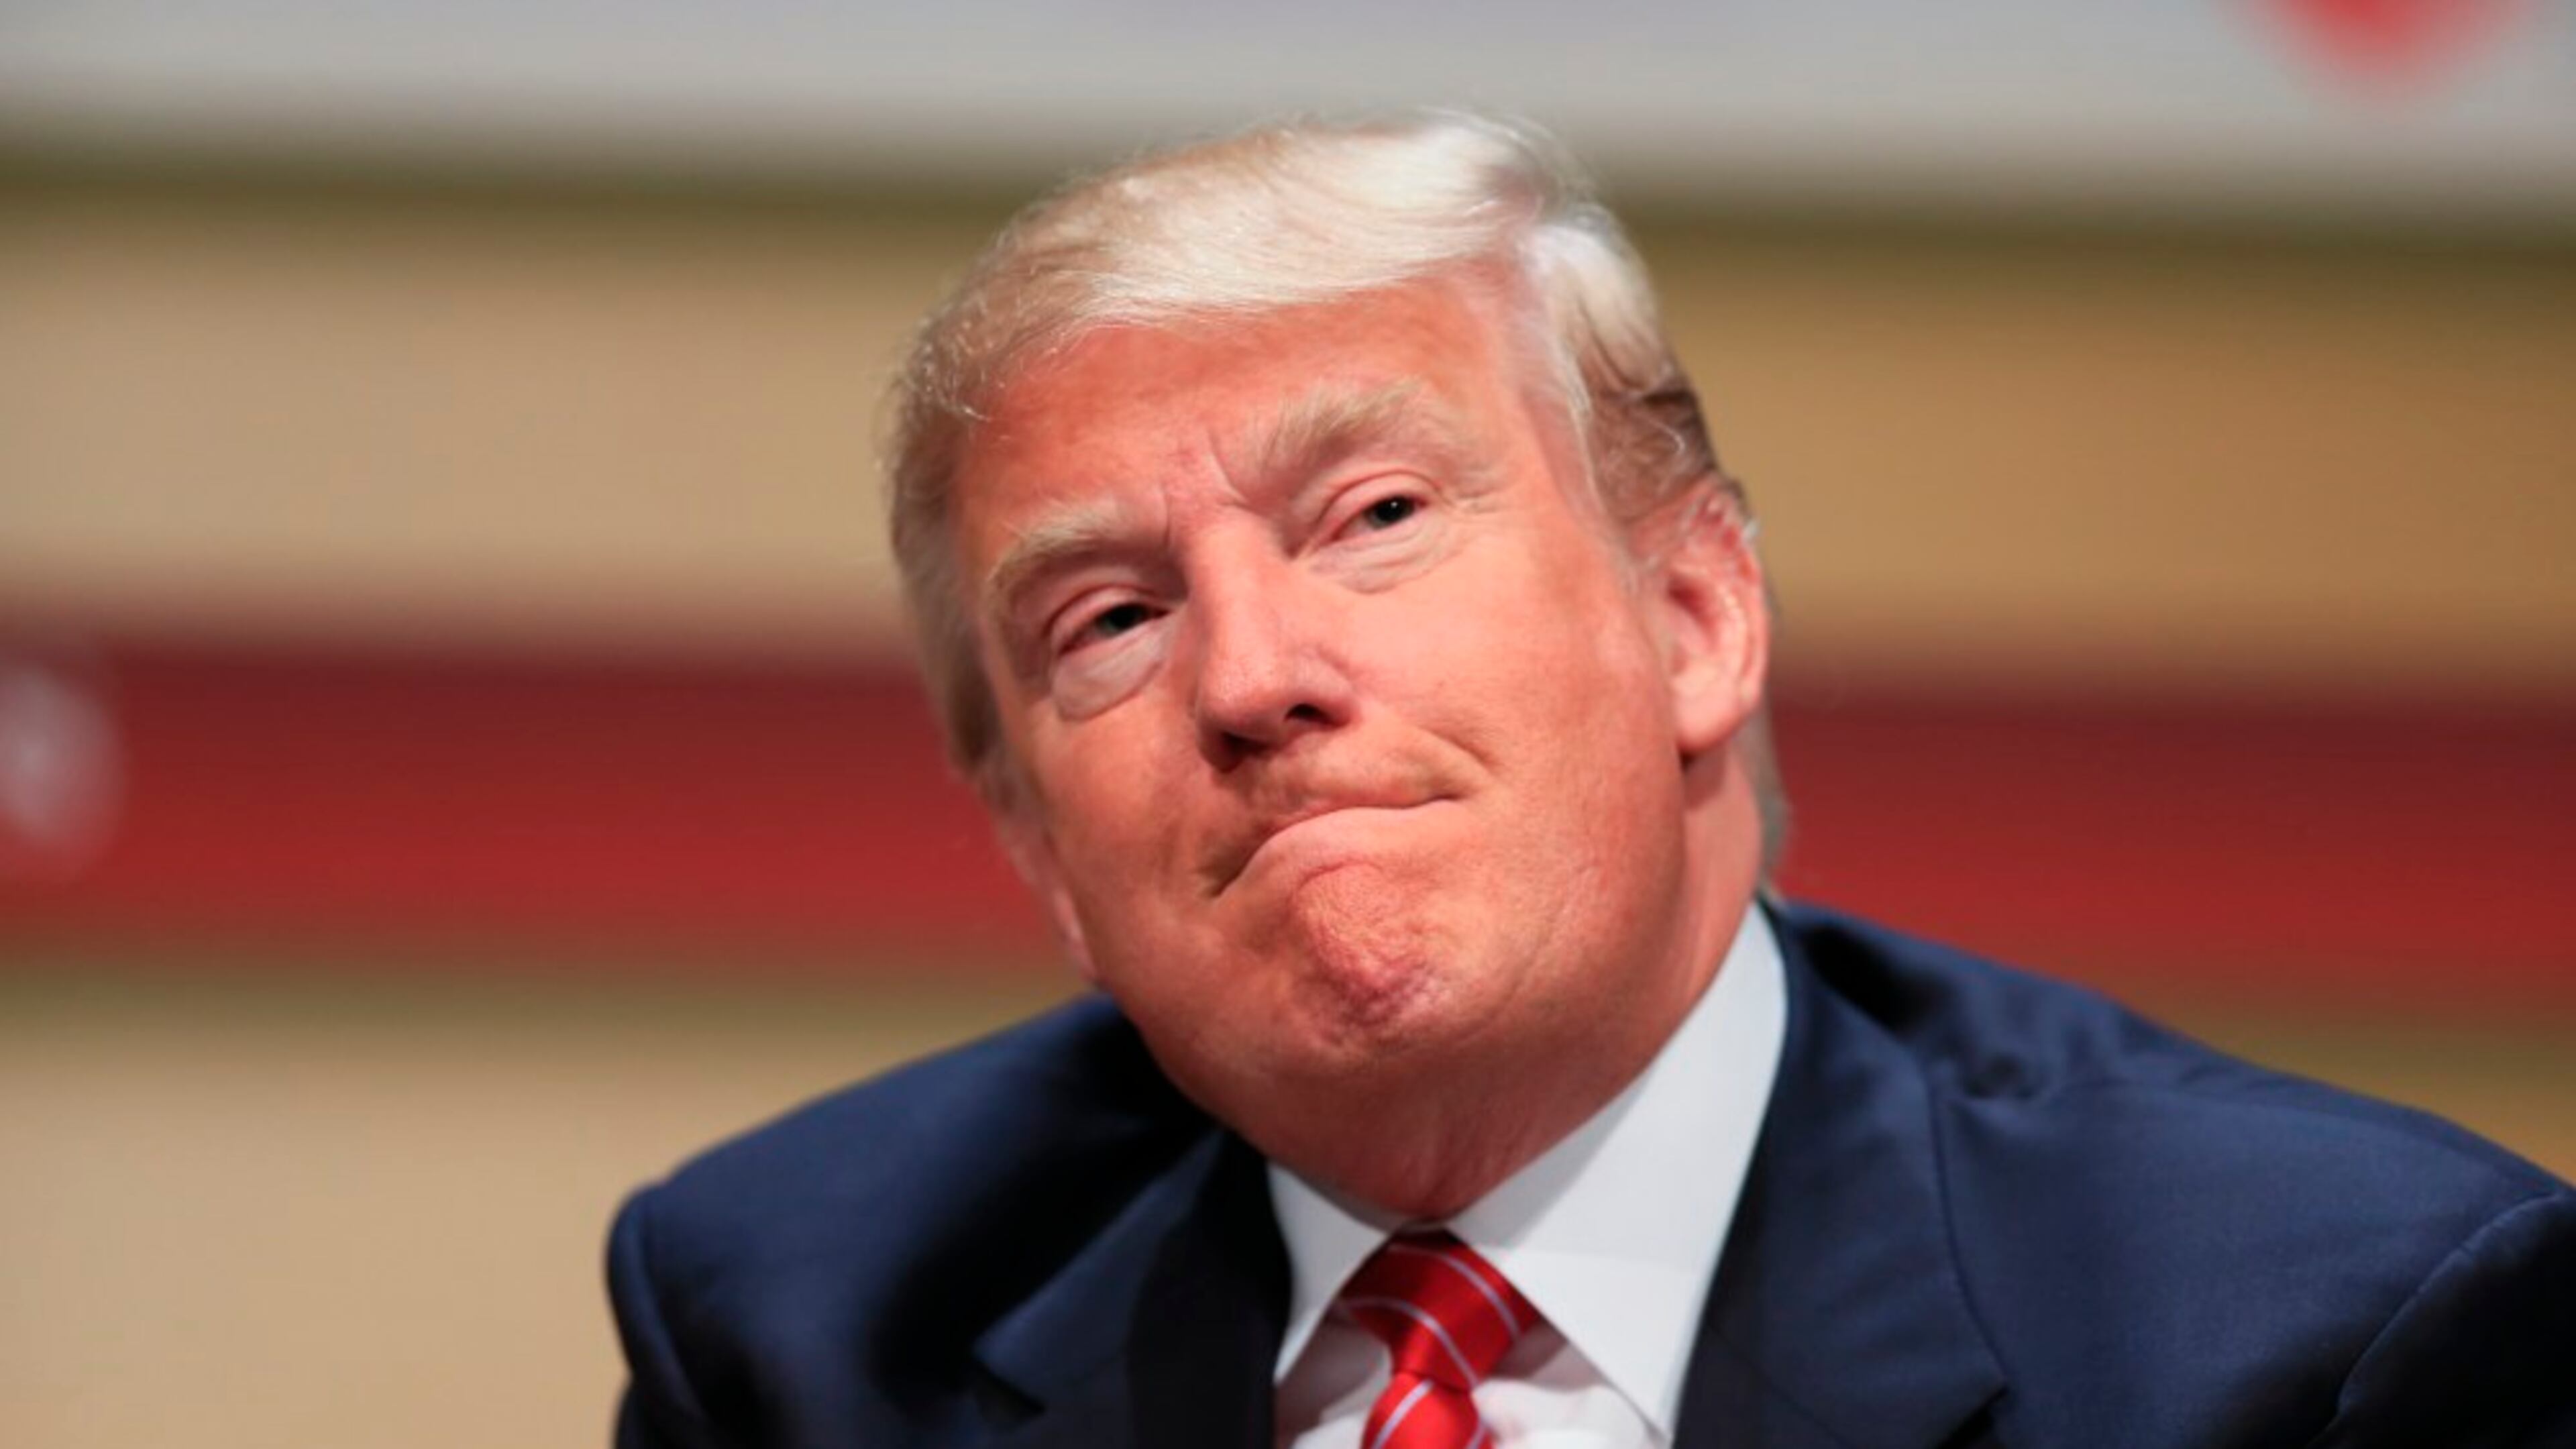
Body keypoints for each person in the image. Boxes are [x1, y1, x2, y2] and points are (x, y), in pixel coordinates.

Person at [605, 113, 2575, 1449]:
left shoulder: (2319, 1341)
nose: (1253, 677)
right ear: (1036, 843)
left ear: (1699, 616)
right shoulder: (805, 1328)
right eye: (1107, 621)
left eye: (1372, 513)